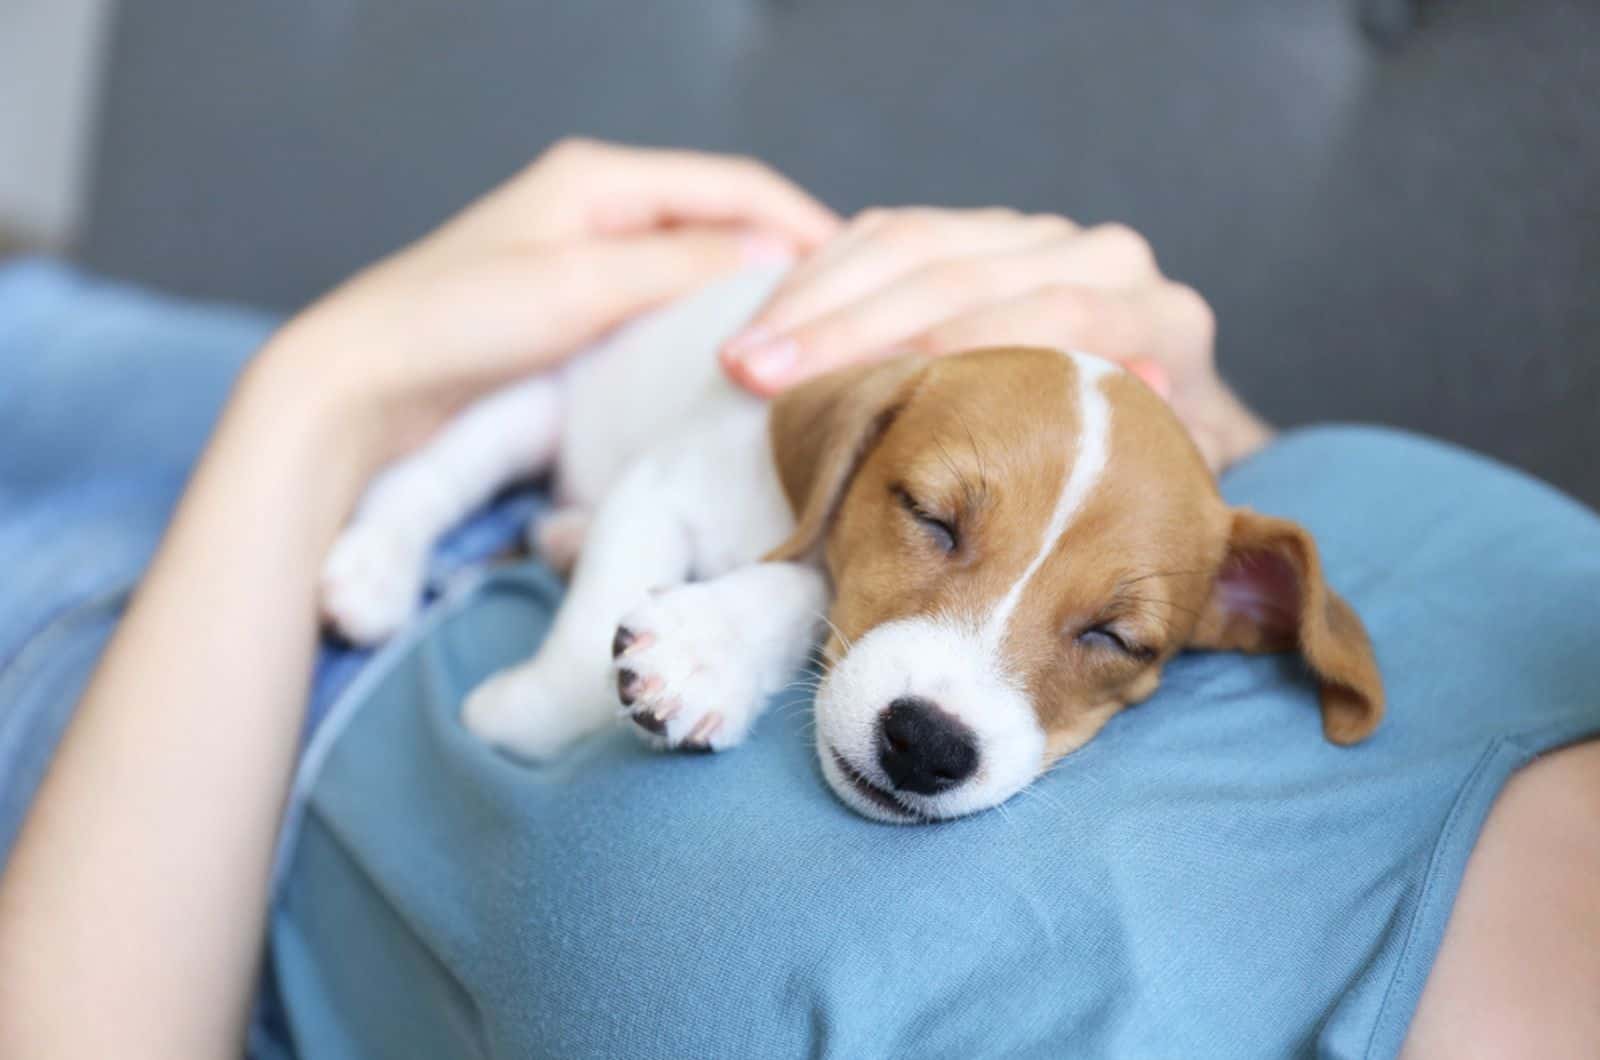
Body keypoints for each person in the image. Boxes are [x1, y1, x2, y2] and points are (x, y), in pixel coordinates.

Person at [0, 139, 1594, 1058]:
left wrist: (317, 399)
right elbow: (1188, 472)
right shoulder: (1558, 578)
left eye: (1113, 638)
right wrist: (1142, 350)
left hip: (186, 751)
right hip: (508, 395)